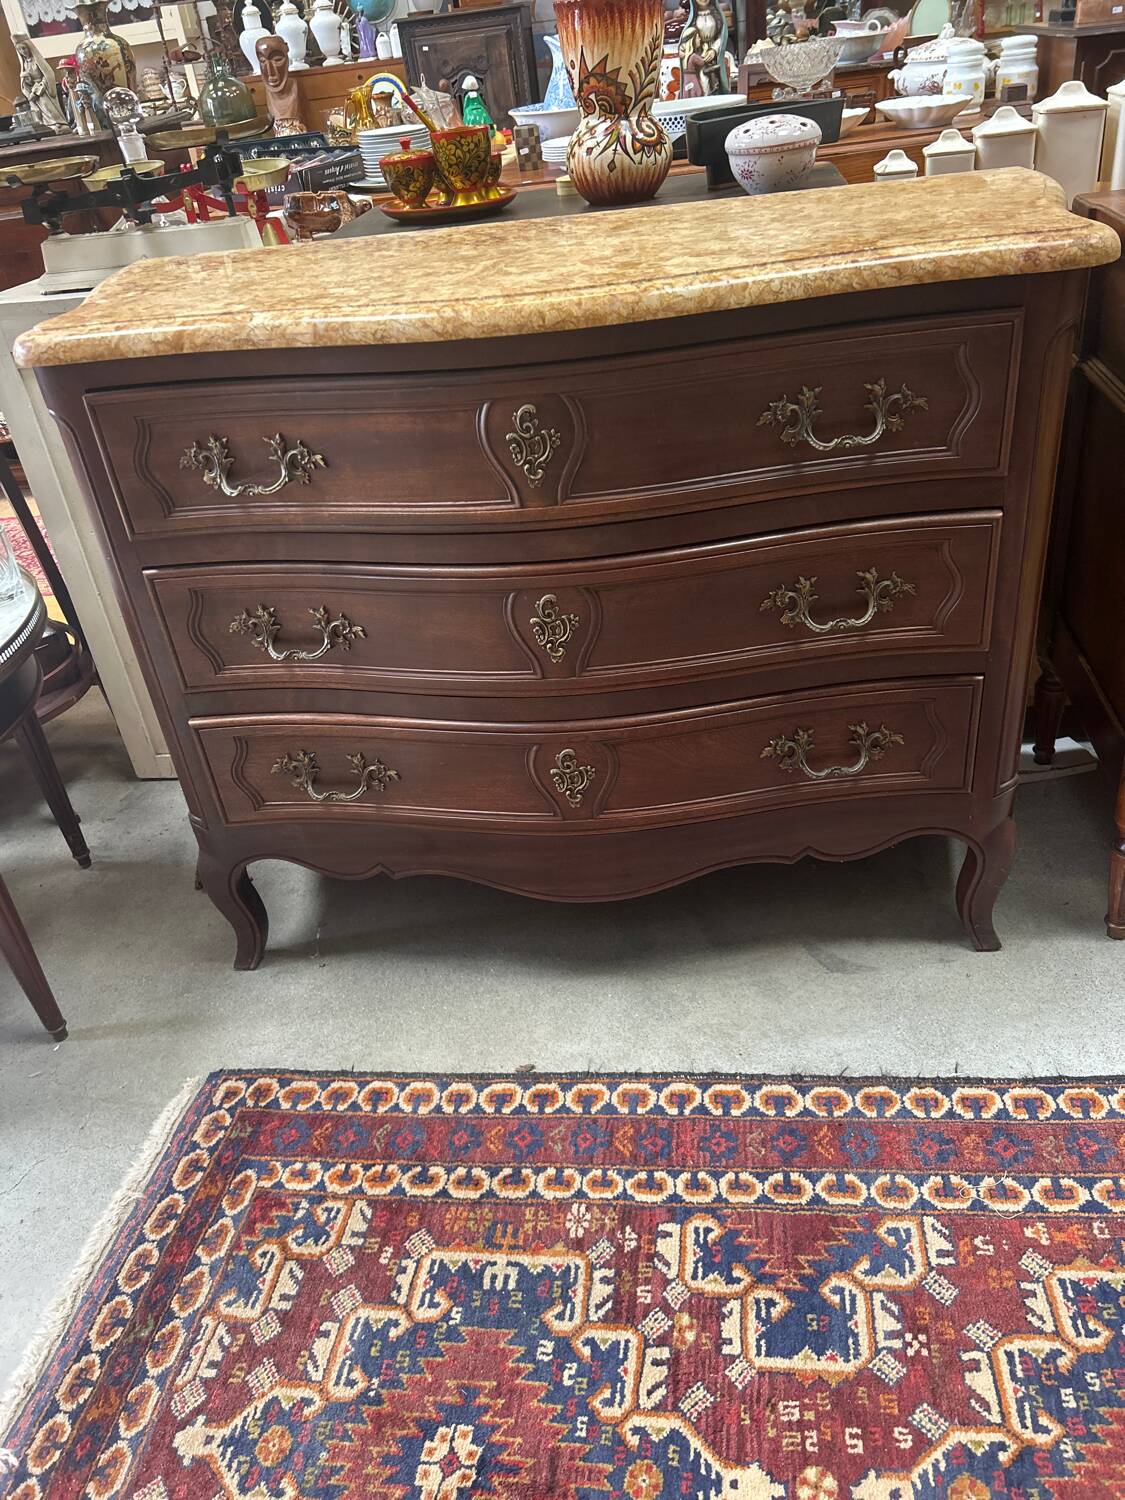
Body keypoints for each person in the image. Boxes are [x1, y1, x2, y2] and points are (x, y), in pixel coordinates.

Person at [12, 34, 70, 133]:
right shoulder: (25, 63)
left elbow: (47, 75)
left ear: (29, 47)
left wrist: (38, 90)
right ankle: (46, 126)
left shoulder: (37, 60)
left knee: (48, 108)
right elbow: (27, 80)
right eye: (20, 50)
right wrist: (26, 81)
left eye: (24, 48)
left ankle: (59, 124)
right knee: (38, 112)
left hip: (43, 90)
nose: (23, 52)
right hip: (32, 91)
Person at [256, 33, 307, 135]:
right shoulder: (267, 93)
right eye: (262, 61)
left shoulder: (294, 87)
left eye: (277, 60)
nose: (270, 71)